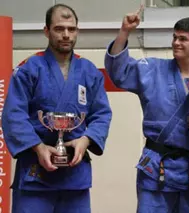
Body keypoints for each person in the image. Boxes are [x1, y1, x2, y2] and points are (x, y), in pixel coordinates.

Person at [104, 6, 189, 213]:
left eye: (183, 39)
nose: (176, 43)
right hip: (156, 165)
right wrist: (125, 31)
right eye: (174, 37)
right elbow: (119, 72)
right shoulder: (153, 69)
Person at [2, 4, 112, 213]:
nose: (66, 35)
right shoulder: (29, 68)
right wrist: (38, 147)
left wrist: (86, 139)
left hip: (74, 175)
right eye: (59, 29)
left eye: (71, 29)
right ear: (46, 31)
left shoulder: (89, 71)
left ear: (77, 31)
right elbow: (13, 114)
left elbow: (102, 114)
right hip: (35, 173)